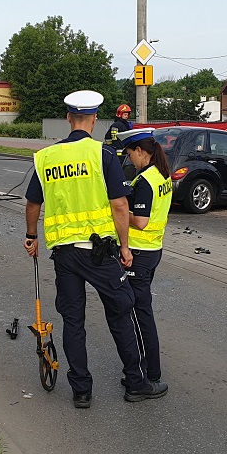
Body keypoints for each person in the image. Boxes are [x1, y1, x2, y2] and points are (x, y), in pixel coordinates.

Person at [25, 91, 167, 409]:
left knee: (73, 320)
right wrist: (126, 248)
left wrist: (31, 236)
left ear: (67, 119)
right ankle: (136, 382)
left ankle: (81, 391)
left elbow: (33, 202)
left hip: (63, 254)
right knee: (121, 309)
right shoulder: (101, 155)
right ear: (93, 120)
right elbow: (119, 204)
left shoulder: (47, 157)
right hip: (99, 253)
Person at [122, 129, 173, 385]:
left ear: (140, 151)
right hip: (153, 250)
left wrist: (118, 215)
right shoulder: (161, 174)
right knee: (142, 313)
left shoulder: (145, 181)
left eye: (130, 154)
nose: (130, 159)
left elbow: (140, 222)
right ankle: (148, 371)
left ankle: (148, 375)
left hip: (139, 254)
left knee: (140, 316)